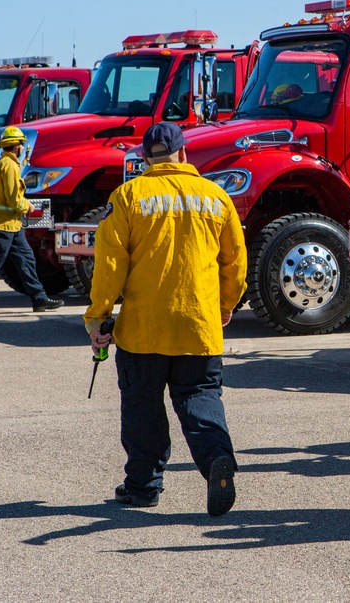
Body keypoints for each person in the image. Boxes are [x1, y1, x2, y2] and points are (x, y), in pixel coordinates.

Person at [85, 121, 247, 516]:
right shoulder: (216, 196)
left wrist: (98, 316)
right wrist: (225, 304)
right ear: (184, 155)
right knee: (200, 398)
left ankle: (142, 488)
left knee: (142, 407)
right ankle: (215, 463)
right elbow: (235, 262)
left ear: (144, 159)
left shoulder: (127, 196)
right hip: (198, 325)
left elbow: (109, 265)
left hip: (144, 330)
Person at [0, 126, 64, 315]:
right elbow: (13, 198)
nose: (24, 147)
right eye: (22, 144)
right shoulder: (10, 166)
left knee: (27, 260)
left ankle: (39, 299)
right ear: (16, 146)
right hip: (5, 226)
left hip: (12, 226)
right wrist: (28, 206)